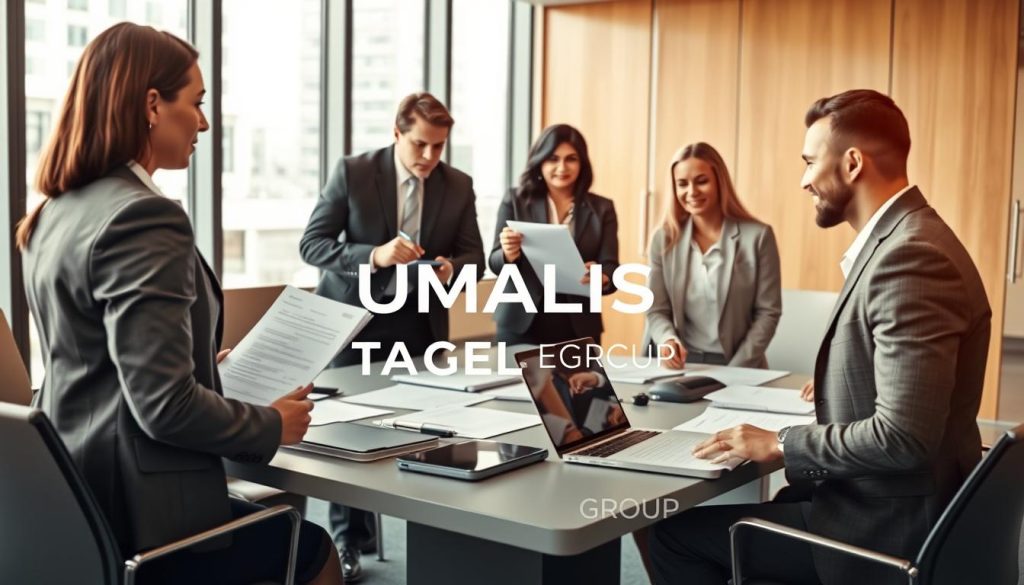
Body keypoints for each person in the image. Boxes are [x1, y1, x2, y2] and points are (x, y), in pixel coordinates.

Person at [18, 23, 341, 585]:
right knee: (313, 550)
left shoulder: (56, 211)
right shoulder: (144, 215)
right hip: (145, 516)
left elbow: (97, 361)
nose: (205, 122)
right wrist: (270, 424)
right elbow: (163, 408)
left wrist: (199, 367)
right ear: (151, 104)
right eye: (195, 103)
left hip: (74, 499)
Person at [649, 89, 991, 585]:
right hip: (873, 496)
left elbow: (903, 437)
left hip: (882, 527)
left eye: (810, 162)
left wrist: (782, 442)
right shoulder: (903, 240)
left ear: (852, 163)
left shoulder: (911, 257)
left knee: (671, 537)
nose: (804, 180)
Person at [299, 92, 484, 581]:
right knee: (351, 435)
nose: (429, 157)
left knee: (430, 429)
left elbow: (475, 258)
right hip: (355, 319)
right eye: (420, 144)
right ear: (397, 133)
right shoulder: (354, 171)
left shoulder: (458, 185)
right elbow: (312, 245)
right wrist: (374, 256)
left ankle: (436, 532)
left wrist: (449, 267)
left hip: (419, 324)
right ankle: (348, 541)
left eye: (439, 147)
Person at [646, 142, 781, 369]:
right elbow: (656, 309)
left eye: (701, 181)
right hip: (683, 366)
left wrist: (735, 370)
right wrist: (667, 339)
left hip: (740, 365)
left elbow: (768, 312)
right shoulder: (664, 240)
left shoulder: (758, 237)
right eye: (682, 184)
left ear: (720, 182)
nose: (691, 192)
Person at [489, 124, 619, 345]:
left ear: (582, 163)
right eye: (553, 159)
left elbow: (611, 267)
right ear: (540, 161)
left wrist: (602, 276)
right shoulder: (516, 200)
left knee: (582, 381)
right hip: (521, 322)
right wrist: (509, 254)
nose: (562, 167)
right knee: (517, 381)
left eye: (571, 159)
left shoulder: (602, 208)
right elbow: (494, 261)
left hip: (578, 325)